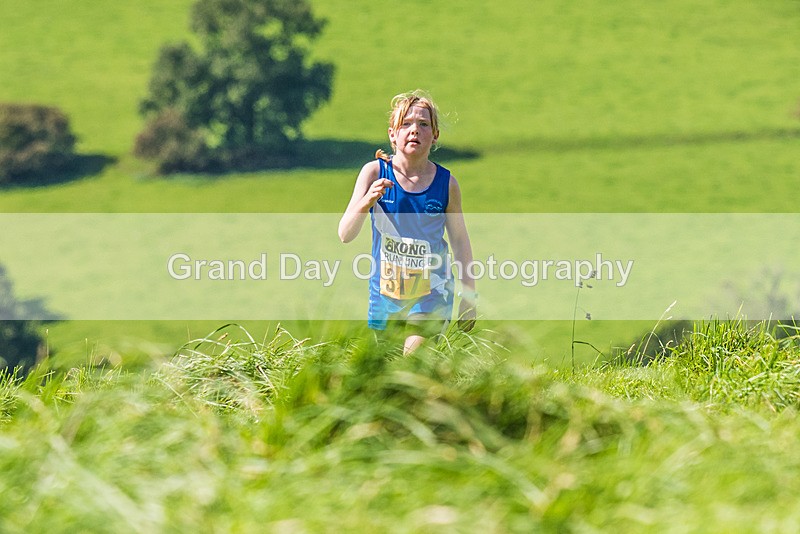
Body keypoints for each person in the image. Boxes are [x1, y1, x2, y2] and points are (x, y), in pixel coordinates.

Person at [338, 90, 477, 354]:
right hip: (386, 295)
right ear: (392, 134)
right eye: (406, 124)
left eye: (424, 124)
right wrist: (367, 201)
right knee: (390, 372)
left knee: (412, 358)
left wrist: (469, 296)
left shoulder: (447, 183)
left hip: (433, 292)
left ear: (435, 135)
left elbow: (460, 242)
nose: (414, 130)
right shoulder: (374, 173)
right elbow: (345, 234)